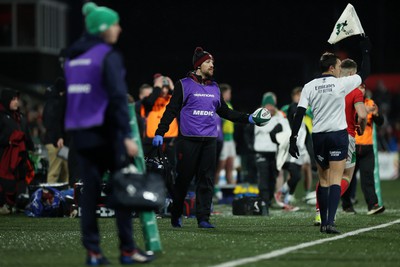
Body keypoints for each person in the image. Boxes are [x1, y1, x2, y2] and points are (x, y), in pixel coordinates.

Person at [63, 2, 154, 265]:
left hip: (81, 133)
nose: (119, 28)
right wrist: (126, 135)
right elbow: (116, 97)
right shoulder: (107, 55)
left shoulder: (72, 55)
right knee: (121, 189)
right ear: (103, 28)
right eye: (115, 24)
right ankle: (127, 250)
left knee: (90, 192)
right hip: (107, 133)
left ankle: (93, 252)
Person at [152, 47, 267, 228]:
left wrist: (249, 118)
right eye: (208, 62)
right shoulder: (184, 84)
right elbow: (171, 110)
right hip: (188, 140)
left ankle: (203, 218)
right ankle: (176, 214)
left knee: (206, 181)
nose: (212, 65)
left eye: (212, 62)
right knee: (183, 181)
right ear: (198, 66)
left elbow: (226, 112)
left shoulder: (214, 87)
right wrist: (160, 132)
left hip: (209, 141)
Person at [289, 36, 371, 234]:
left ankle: (323, 218)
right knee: (336, 179)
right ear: (333, 68)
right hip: (338, 135)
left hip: (318, 137)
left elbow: (299, 113)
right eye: (338, 65)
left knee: (324, 180)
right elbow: (366, 72)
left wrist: (293, 138)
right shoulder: (339, 84)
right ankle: (328, 223)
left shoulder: (308, 86)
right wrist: (366, 50)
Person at [312, 59, 368, 225]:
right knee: (344, 176)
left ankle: (318, 212)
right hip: (345, 136)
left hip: (322, 135)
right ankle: (329, 210)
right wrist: (362, 128)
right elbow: (362, 115)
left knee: (324, 177)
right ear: (352, 74)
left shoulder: (326, 87)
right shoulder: (354, 90)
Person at [245, 92, 296, 214]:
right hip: (261, 153)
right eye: (267, 105)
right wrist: (250, 146)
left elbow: (287, 132)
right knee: (263, 177)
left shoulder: (280, 118)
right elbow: (247, 132)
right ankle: (263, 202)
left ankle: (268, 200)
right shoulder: (257, 116)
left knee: (272, 179)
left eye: (271, 105)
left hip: (275, 153)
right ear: (263, 106)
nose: (270, 108)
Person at [0, 88, 34, 215]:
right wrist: (7, 141)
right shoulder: (1, 116)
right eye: (13, 99)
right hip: (4, 155)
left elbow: (27, 136)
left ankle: (16, 204)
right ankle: (3, 204)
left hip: (21, 156)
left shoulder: (20, 117)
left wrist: (31, 148)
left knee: (20, 179)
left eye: (17, 99)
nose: (16, 102)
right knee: (5, 181)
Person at [351, 92, 385, 215]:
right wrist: (365, 110)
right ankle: (346, 205)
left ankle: (373, 205)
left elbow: (380, 122)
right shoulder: (350, 102)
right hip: (352, 145)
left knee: (368, 178)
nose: (362, 89)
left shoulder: (370, 103)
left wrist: (376, 114)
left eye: (363, 87)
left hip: (367, 147)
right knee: (348, 177)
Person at [42, 77, 69, 184]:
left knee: (65, 174)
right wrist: (58, 138)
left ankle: (65, 199)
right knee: (54, 173)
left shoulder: (55, 101)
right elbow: (50, 123)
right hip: (55, 143)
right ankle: (50, 199)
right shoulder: (53, 102)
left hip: (61, 143)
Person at [215, 83, 237, 185]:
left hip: (230, 139)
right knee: (220, 166)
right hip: (222, 139)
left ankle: (231, 190)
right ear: (223, 93)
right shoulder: (219, 105)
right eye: (228, 93)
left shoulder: (230, 105)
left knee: (230, 165)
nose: (230, 95)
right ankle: (215, 189)